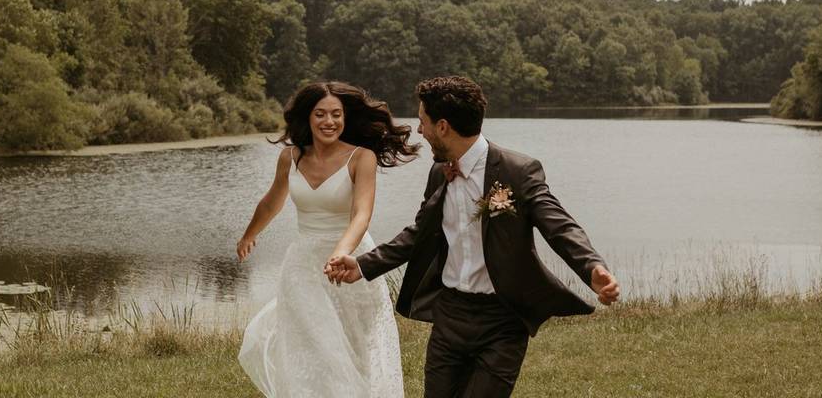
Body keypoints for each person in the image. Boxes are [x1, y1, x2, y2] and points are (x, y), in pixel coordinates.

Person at [327, 75, 620, 397]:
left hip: (503, 320)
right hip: (450, 314)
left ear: (442, 127)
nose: (419, 130)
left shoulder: (518, 171)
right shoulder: (440, 172)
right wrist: (363, 265)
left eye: (423, 121)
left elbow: (559, 225)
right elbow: (419, 233)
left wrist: (591, 267)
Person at [237, 81, 418, 397]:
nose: (329, 122)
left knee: (354, 352)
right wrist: (250, 234)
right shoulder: (290, 158)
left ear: (346, 118)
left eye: (336, 114)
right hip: (303, 266)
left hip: (350, 264)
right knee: (314, 348)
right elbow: (271, 202)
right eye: (320, 114)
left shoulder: (362, 158)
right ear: (308, 117)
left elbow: (361, 214)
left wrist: (341, 251)